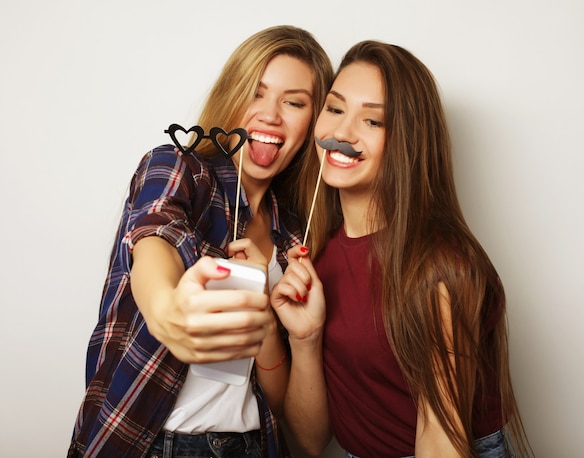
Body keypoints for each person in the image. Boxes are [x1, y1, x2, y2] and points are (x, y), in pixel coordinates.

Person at [68, 25, 333, 458]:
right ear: (231, 96)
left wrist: (266, 318)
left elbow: (279, 403)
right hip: (153, 444)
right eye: (255, 92)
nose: (270, 114)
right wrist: (167, 310)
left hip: (253, 445)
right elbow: (156, 235)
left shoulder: (294, 232)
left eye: (294, 102)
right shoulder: (181, 169)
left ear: (312, 122)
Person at [271, 40, 533, 457]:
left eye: (373, 122)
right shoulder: (315, 254)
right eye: (335, 109)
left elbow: (441, 443)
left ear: (406, 140)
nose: (341, 134)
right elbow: (310, 440)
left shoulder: (441, 266)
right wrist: (305, 338)